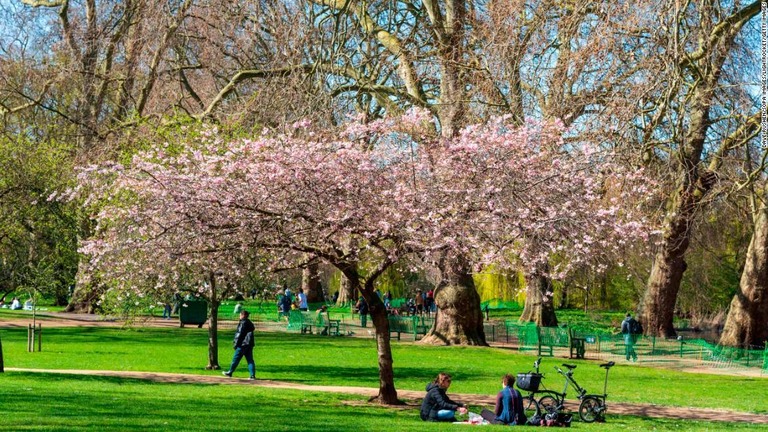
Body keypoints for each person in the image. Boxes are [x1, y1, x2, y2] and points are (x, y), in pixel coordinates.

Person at [222, 310, 256, 380]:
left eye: (240, 315)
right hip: (249, 344)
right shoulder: (249, 322)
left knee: (236, 359)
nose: (239, 316)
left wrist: (235, 344)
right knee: (250, 360)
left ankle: (230, 372)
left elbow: (239, 334)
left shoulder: (243, 323)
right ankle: (252, 375)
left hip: (242, 344)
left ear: (242, 315)